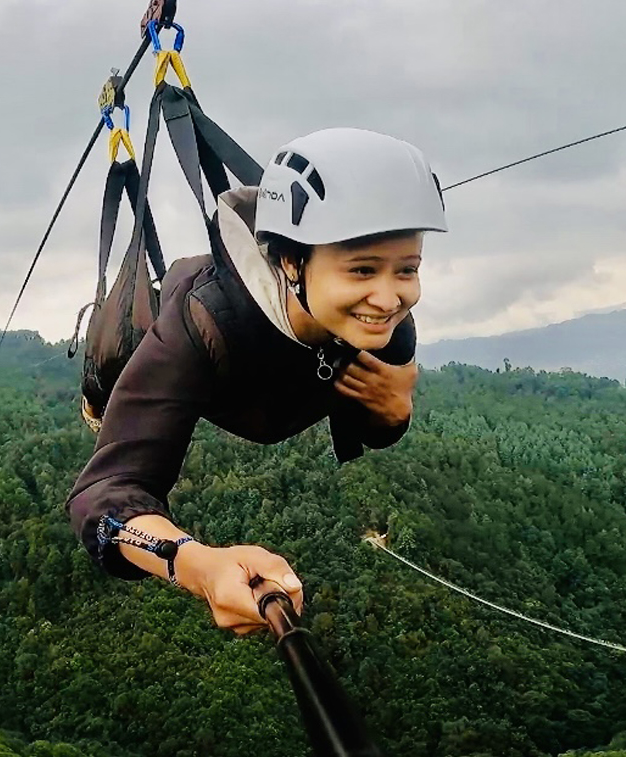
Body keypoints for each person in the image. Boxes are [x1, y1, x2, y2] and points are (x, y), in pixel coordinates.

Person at [65, 127, 447, 635]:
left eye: (407, 270)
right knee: (119, 372)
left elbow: (367, 420)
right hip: (201, 357)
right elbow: (105, 495)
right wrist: (193, 563)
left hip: (260, 392)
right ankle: (100, 398)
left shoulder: (384, 334)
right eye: (361, 270)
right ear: (291, 262)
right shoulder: (201, 326)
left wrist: (393, 417)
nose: (388, 298)